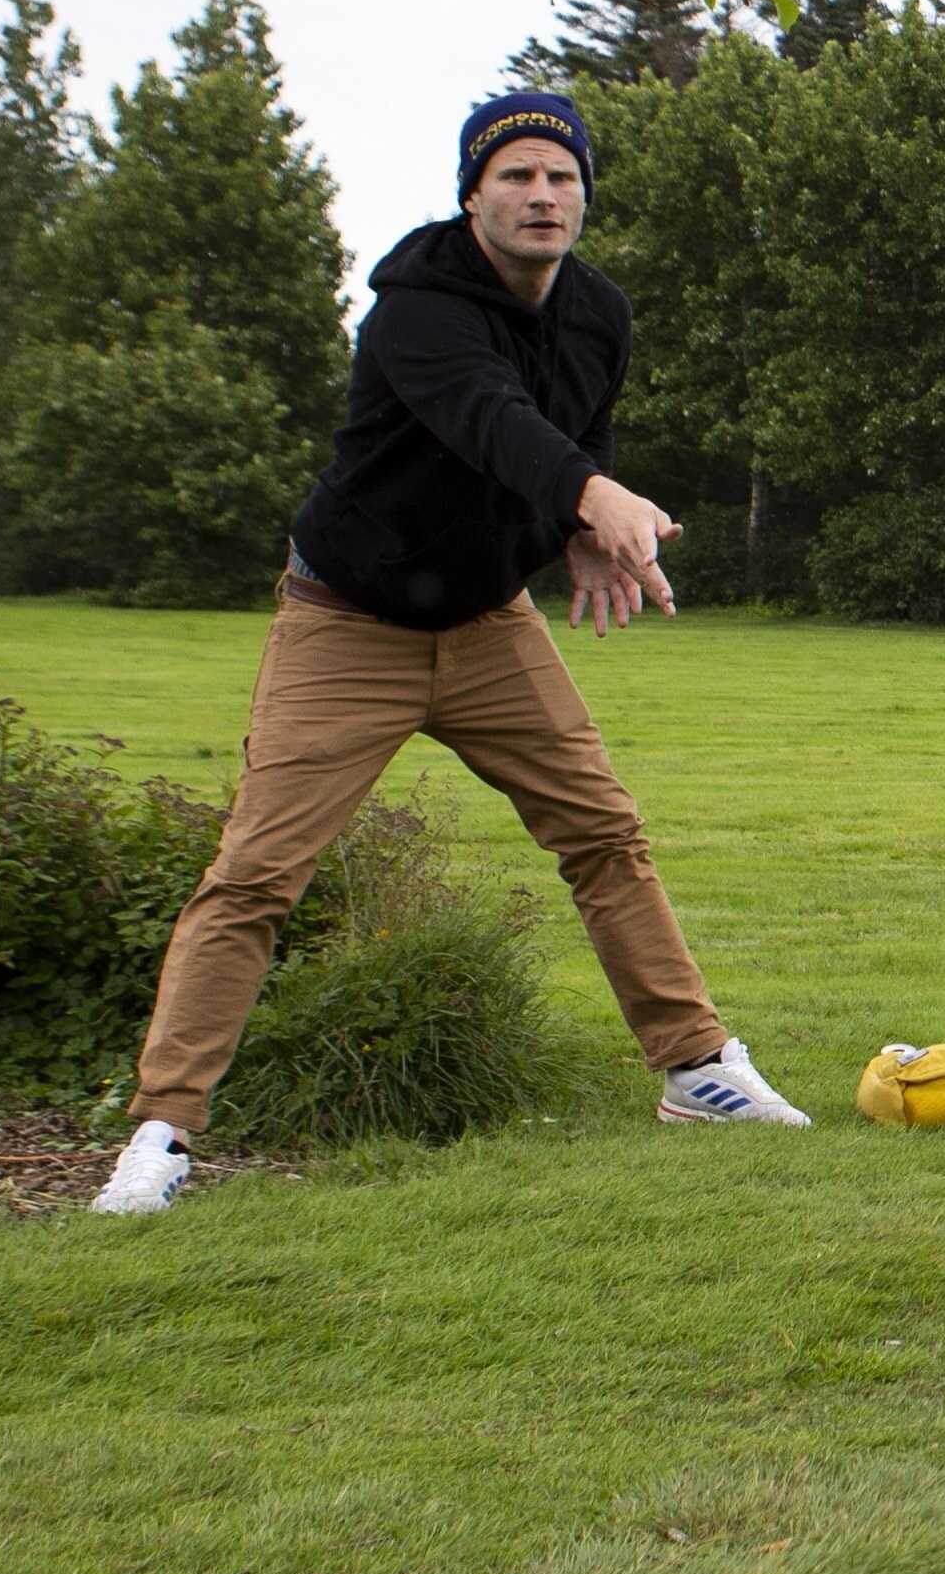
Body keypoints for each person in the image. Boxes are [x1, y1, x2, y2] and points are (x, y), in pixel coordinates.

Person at [93, 87, 802, 1214]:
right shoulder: (413, 312)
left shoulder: (599, 312)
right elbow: (491, 420)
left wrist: (579, 528)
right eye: (515, 175)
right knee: (256, 878)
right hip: (347, 625)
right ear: (473, 193)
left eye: (560, 176)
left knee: (604, 834)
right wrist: (591, 492)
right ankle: (162, 1135)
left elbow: (576, 431)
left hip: (484, 624)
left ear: (584, 196)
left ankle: (696, 1069)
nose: (541, 195)